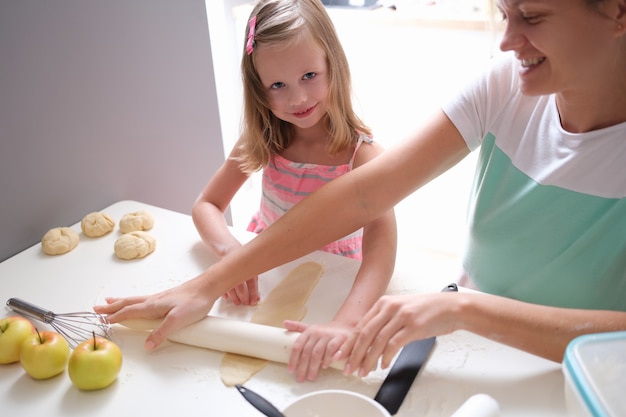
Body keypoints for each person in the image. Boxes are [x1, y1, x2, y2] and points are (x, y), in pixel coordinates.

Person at [95, 0, 626, 383]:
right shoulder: (504, 82)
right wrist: (209, 283)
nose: (507, 40)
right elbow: (362, 197)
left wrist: (464, 309)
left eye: (532, 16)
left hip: (587, 372)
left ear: (617, 12)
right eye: (504, 14)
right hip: (466, 342)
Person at [144, 0, 398, 382]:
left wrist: (347, 322)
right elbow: (208, 204)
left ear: (333, 64)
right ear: (257, 89)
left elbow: (381, 252)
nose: (297, 98)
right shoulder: (263, 141)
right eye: (277, 85)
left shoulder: (365, 158)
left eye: (309, 75)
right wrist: (233, 254)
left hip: (335, 280)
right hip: (268, 270)